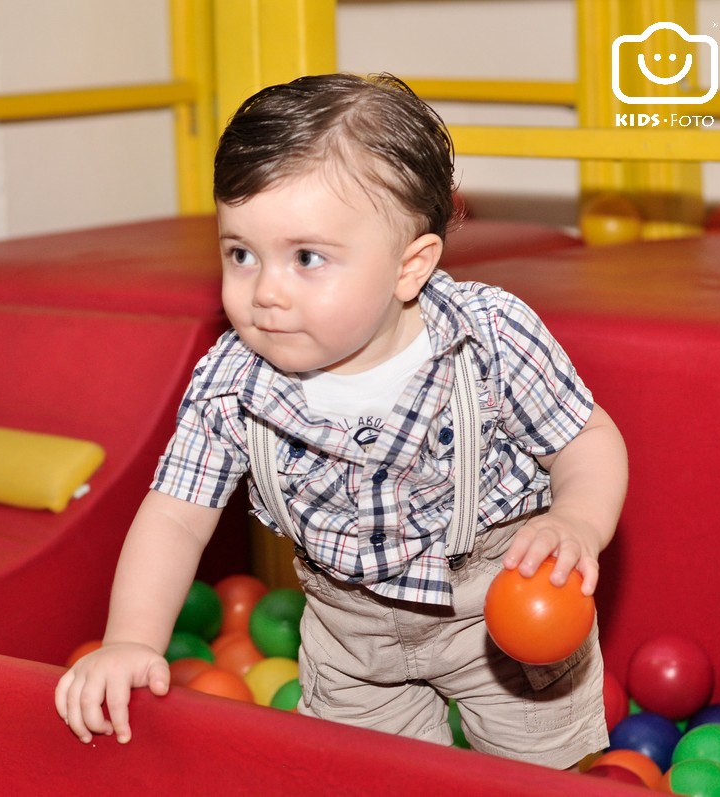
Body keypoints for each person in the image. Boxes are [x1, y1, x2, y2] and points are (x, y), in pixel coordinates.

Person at [54, 72, 627, 769]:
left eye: (306, 258)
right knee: (369, 778)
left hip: (502, 610)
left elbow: (587, 438)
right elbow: (174, 516)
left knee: (548, 773)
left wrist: (577, 521)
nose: (265, 290)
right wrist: (132, 639)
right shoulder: (234, 382)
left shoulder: (490, 338)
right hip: (348, 635)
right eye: (241, 253)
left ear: (409, 267)